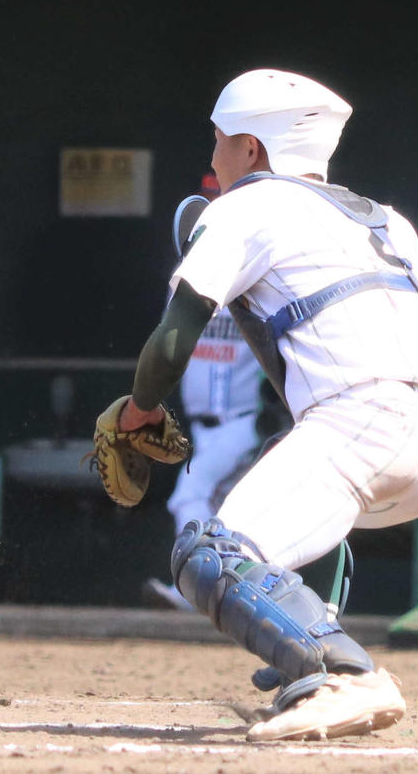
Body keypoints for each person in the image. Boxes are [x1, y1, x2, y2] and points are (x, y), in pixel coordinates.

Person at [110, 68, 418, 741]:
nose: (214, 157)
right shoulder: (383, 219)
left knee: (208, 554)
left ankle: (345, 673)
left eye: (222, 141)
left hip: (360, 421)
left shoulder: (245, 205)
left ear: (253, 150)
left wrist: (139, 409)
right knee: (258, 552)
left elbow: (172, 341)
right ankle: (307, 662)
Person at [143, 173, 269, 611]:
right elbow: (171, 344)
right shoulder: (189, 285)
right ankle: (228, 595)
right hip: (206, 427)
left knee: (189, 498)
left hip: (242, 422)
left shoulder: (256, 281)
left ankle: (194, 591)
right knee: (226, 514)